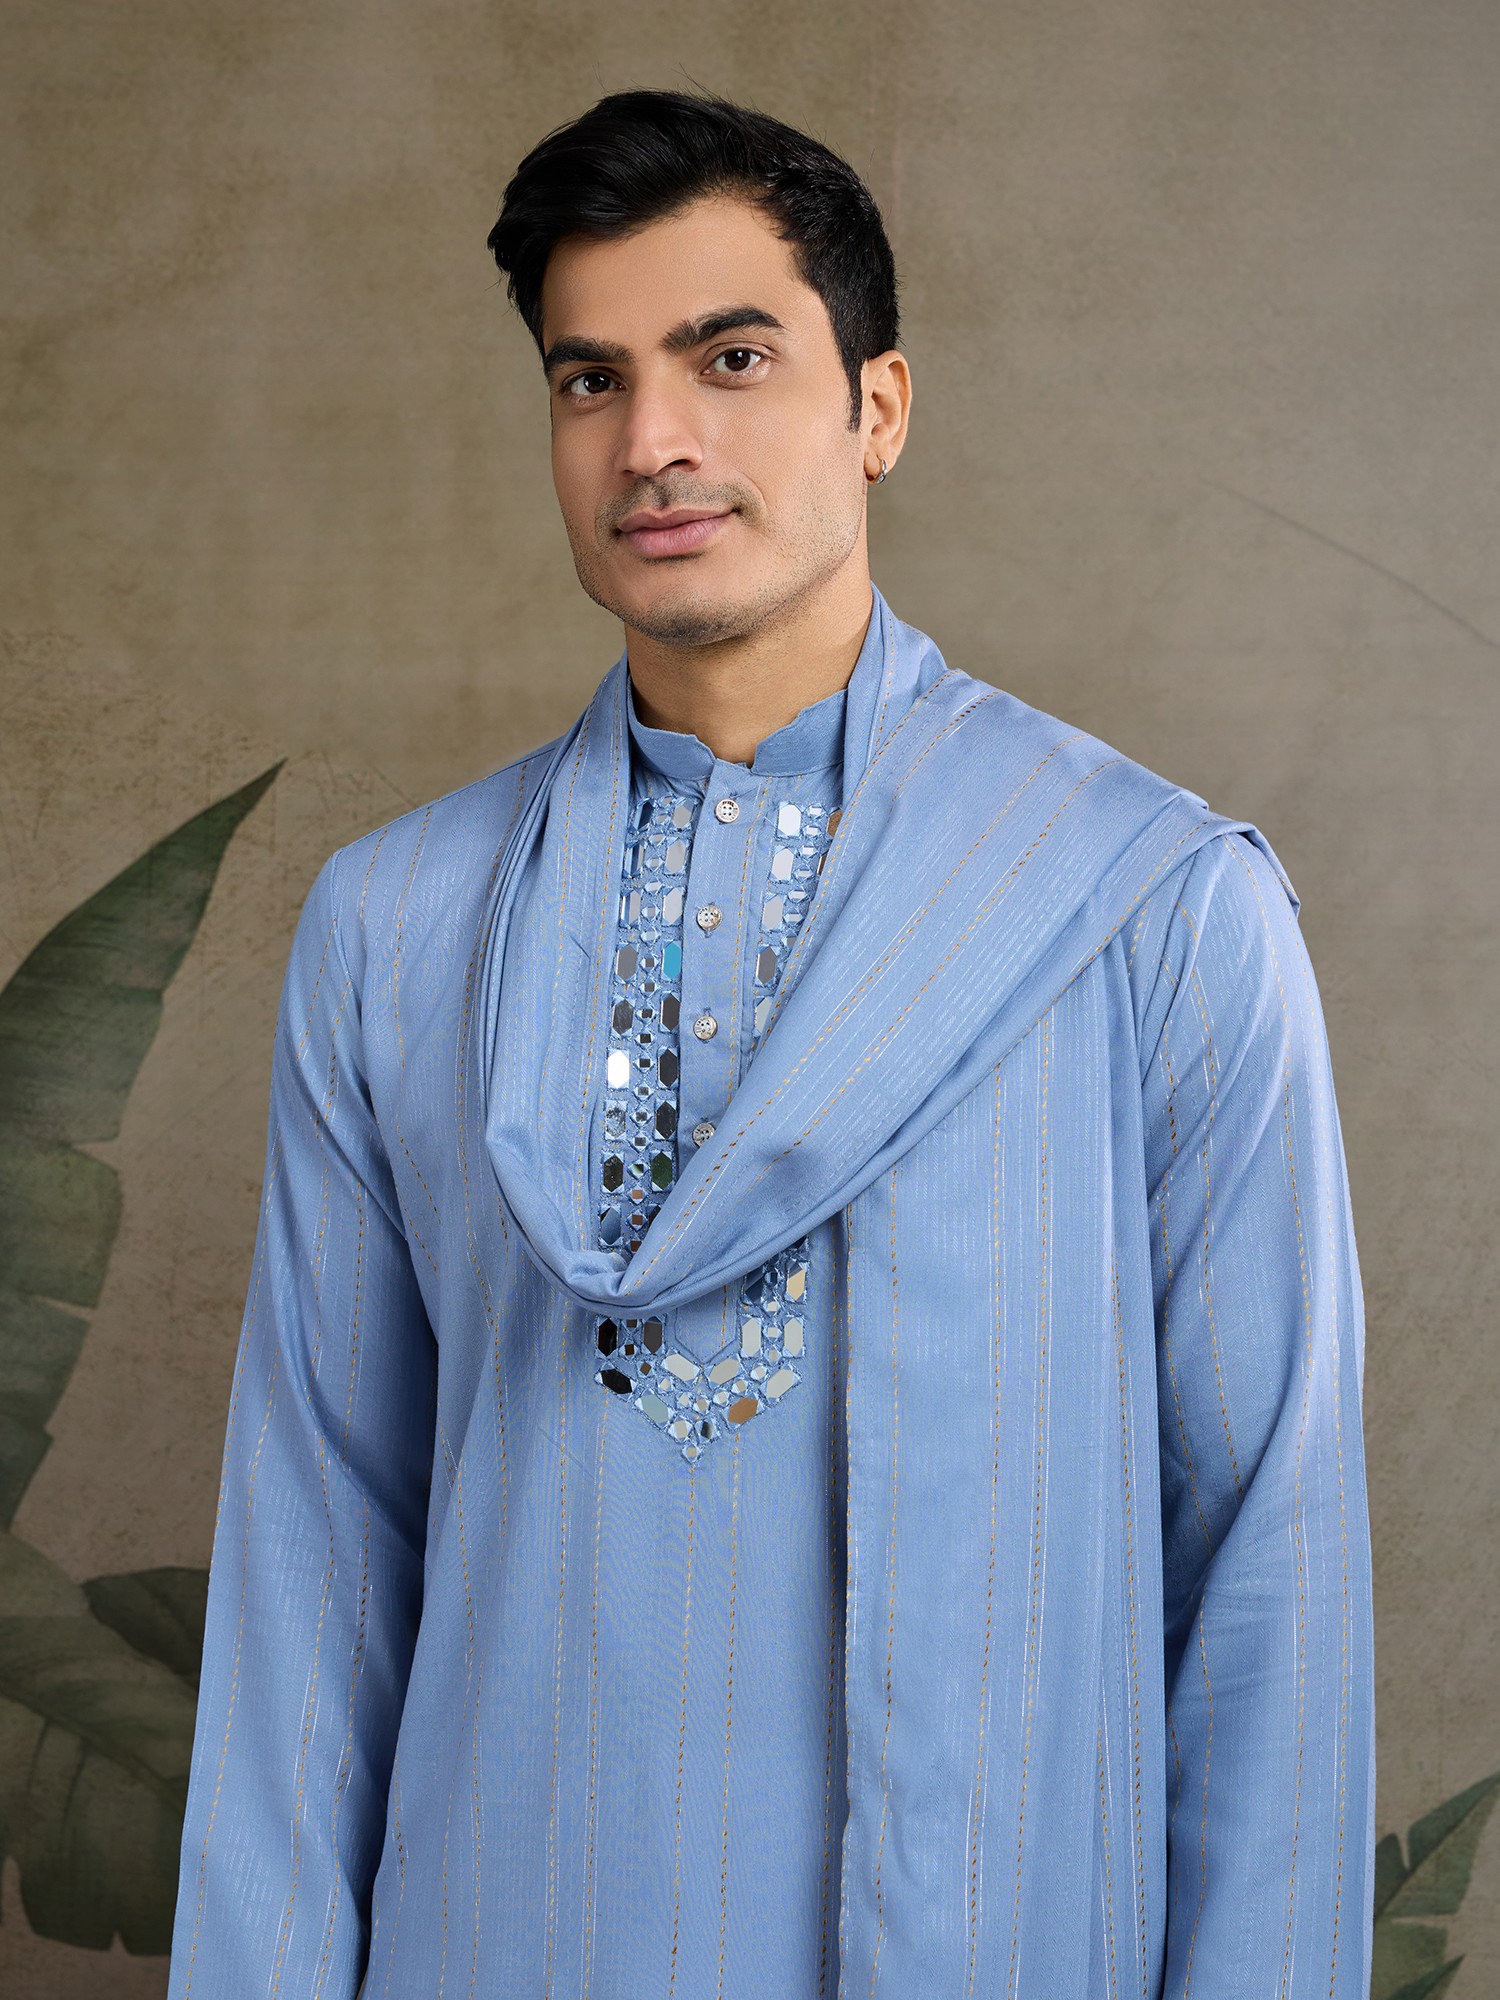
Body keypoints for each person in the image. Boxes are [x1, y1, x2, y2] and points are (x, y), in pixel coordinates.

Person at [168, 89, 1374, 1999]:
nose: (652, 440)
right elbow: (314, 1573)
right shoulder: (394, 932)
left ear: (878, 406)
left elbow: (1270, 1567)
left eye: (730, 359)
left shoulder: (1149, 909)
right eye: (590, 380)